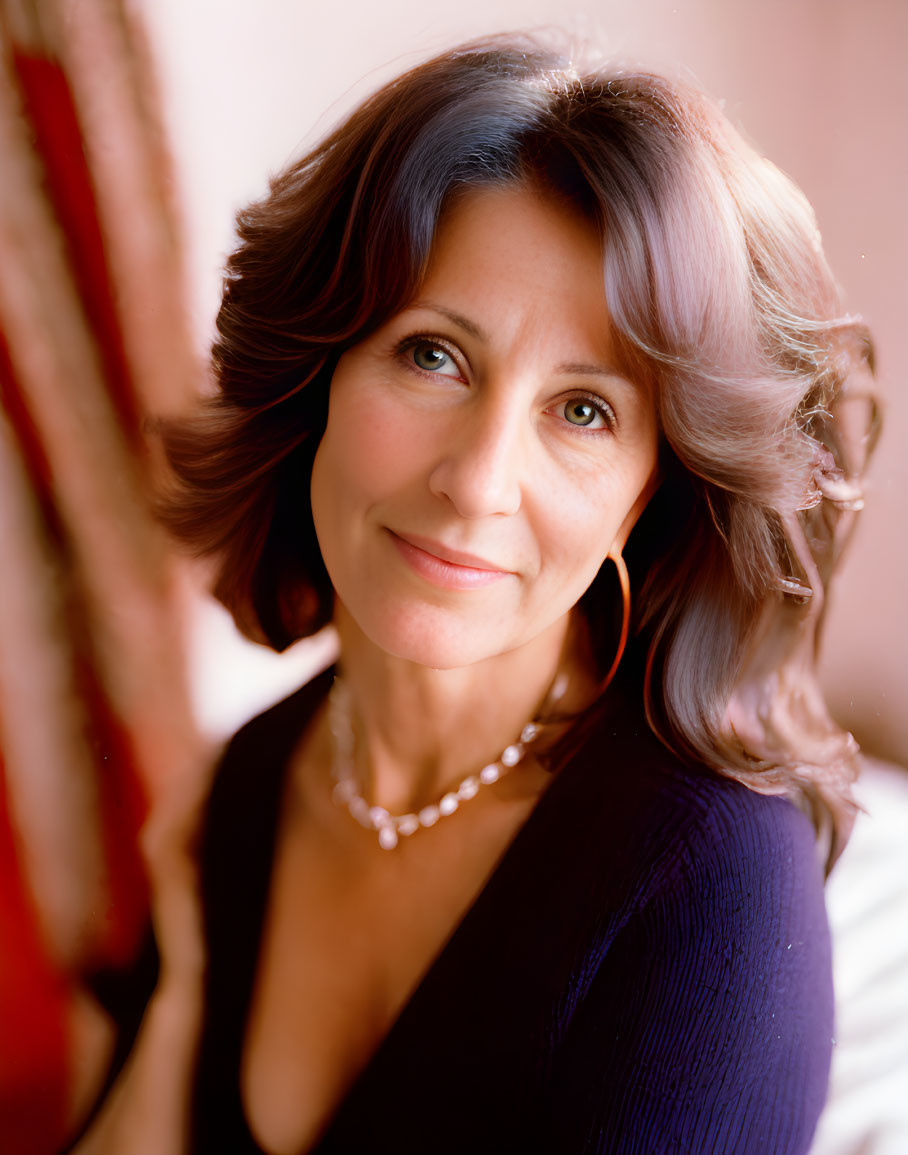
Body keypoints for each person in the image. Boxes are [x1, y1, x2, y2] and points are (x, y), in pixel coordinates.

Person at [84, 35, 878, 1155]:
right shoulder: (250, 788)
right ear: (317, 375)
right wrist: (182, 1006)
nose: (477, 480)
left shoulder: (707, 881)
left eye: (584, 411)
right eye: (431, 357)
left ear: (648, 494)